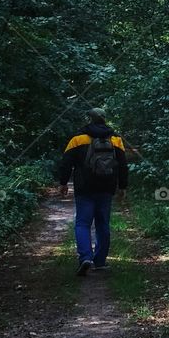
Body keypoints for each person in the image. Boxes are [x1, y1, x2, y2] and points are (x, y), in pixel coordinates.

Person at [59, 107, 129, 275]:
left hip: (84, 188)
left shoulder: (78, 139)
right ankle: (100, 262)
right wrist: (123, 186)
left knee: (83, 223)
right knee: (102, 224)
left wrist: (63, 183)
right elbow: (123, 165)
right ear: (104, 119)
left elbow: (66, 163)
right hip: (106, 187)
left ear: (89, 119)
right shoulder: (115, 139)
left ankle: (85, 257)